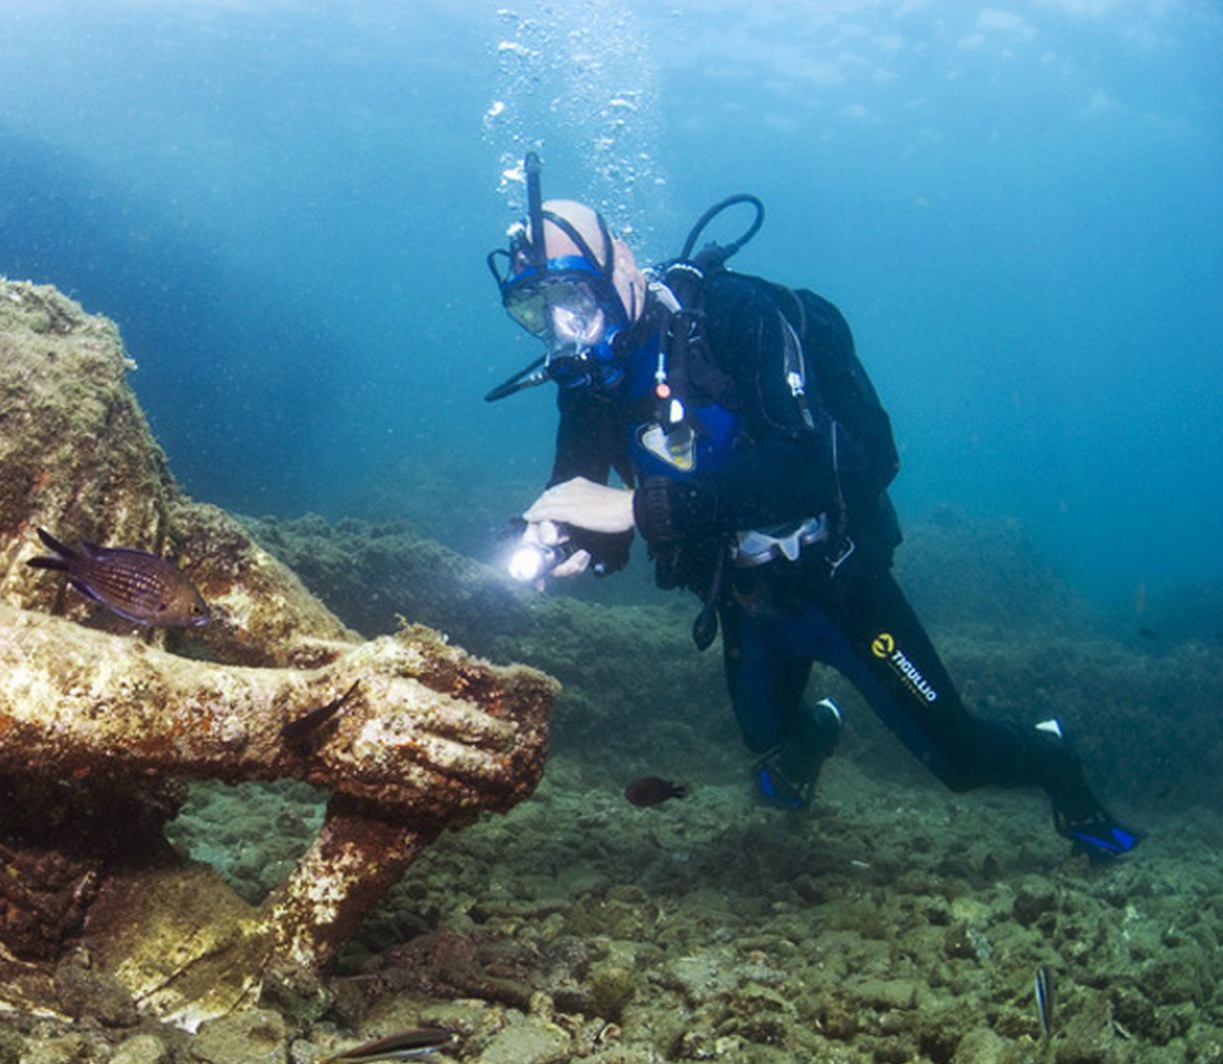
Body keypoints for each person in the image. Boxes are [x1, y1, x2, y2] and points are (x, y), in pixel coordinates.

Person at [487, 154, 1140, 857]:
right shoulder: (588, 386)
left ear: (621, 269)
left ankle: (1051, 756)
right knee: (764, 735)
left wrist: (641, 512)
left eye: (574, 304)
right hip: (743, 593)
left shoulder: (736, 316)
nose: (565, 334)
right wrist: (561, 542)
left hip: (835, 579)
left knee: (959, 761)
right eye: (538, 316)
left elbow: (815, 464)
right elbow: (592, 509)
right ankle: (816, 733)